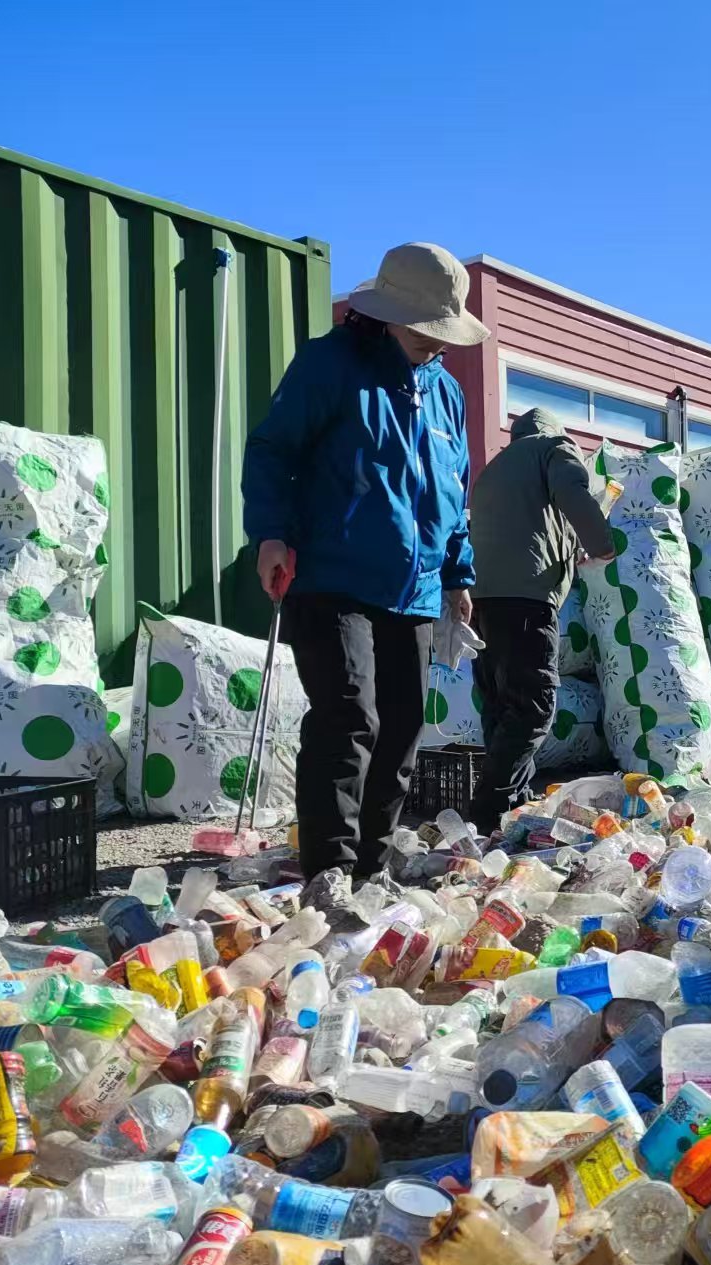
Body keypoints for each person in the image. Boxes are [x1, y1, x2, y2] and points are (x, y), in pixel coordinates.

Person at [241, 241, 488, 880]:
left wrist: (457, 574)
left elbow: (451, 491)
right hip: (331, 576)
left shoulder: (446, 394)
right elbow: (272, 450)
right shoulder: (330, 364)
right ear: (384, 314)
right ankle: (330, 876)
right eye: (422, 326)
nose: (434, 340)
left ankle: (372, 873)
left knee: (402, 730)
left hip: (414, 589)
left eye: (441, 328)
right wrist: (270, 534)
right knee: (350, 718)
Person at [467, 406, 616, 831]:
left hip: (482, 600)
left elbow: (527, 525)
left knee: (501, 705)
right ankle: (490, 807)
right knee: (534, 705)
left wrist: (570, 547)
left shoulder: (495, 469)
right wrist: (602, 544)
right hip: (526, 597)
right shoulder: (553, 448)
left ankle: (514, 803)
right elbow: (572, 492)